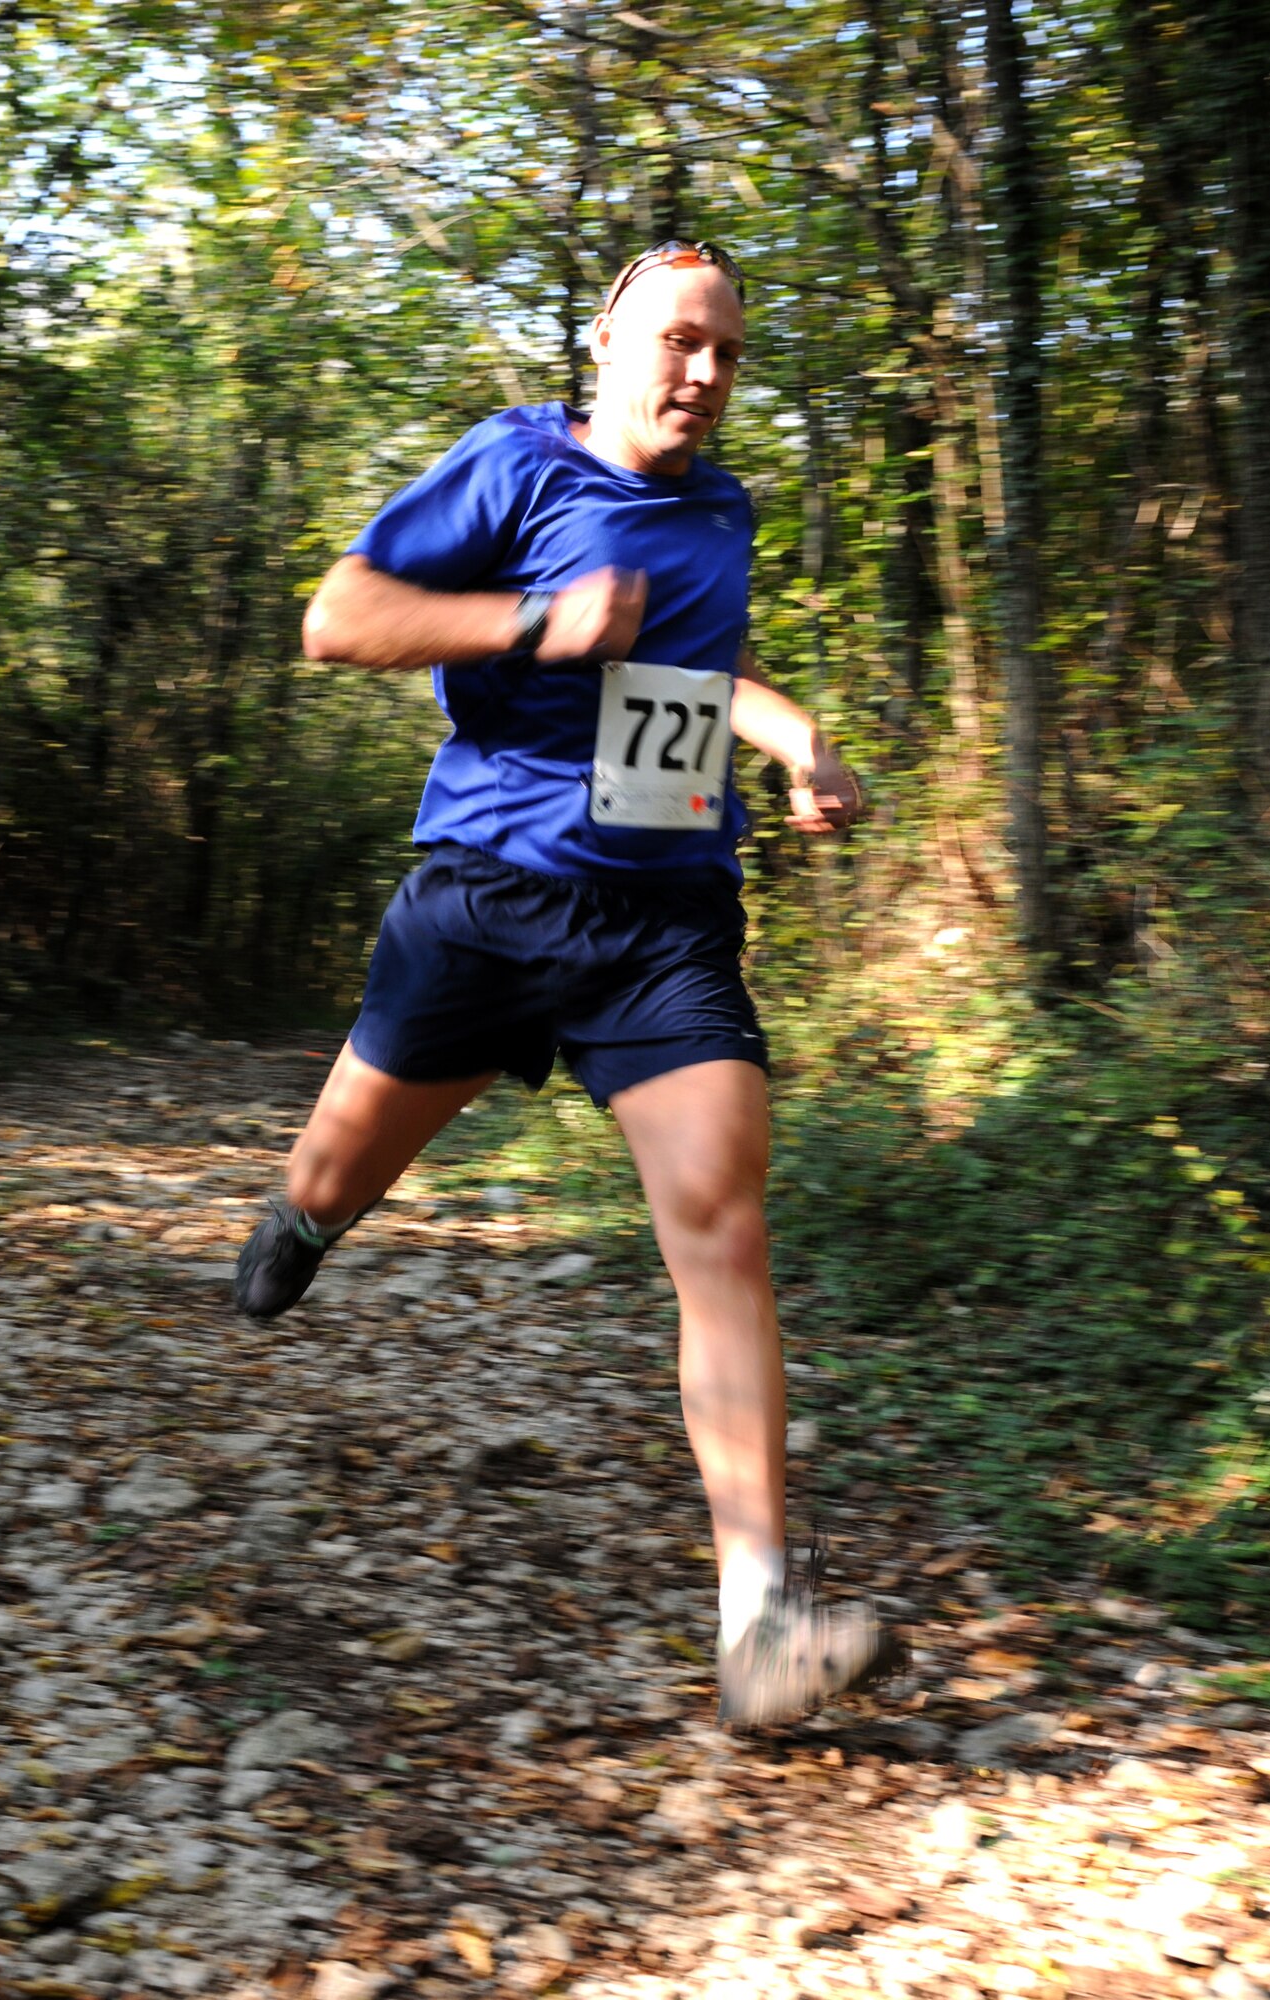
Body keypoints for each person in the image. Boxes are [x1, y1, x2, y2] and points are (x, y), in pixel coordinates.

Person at [234, 239, 896, 1726]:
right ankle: (301, 1220)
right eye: (678, 341)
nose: (706, 374)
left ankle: (760, 1625)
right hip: (481, 910)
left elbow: (702, 680)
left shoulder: (717, 507)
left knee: (721, 1221)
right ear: (602, 344)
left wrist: (799, 746)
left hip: (660, 924)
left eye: (727, 350)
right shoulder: (511, 466)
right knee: (334, 1173)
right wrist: (530, 622)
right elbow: (336, 618)